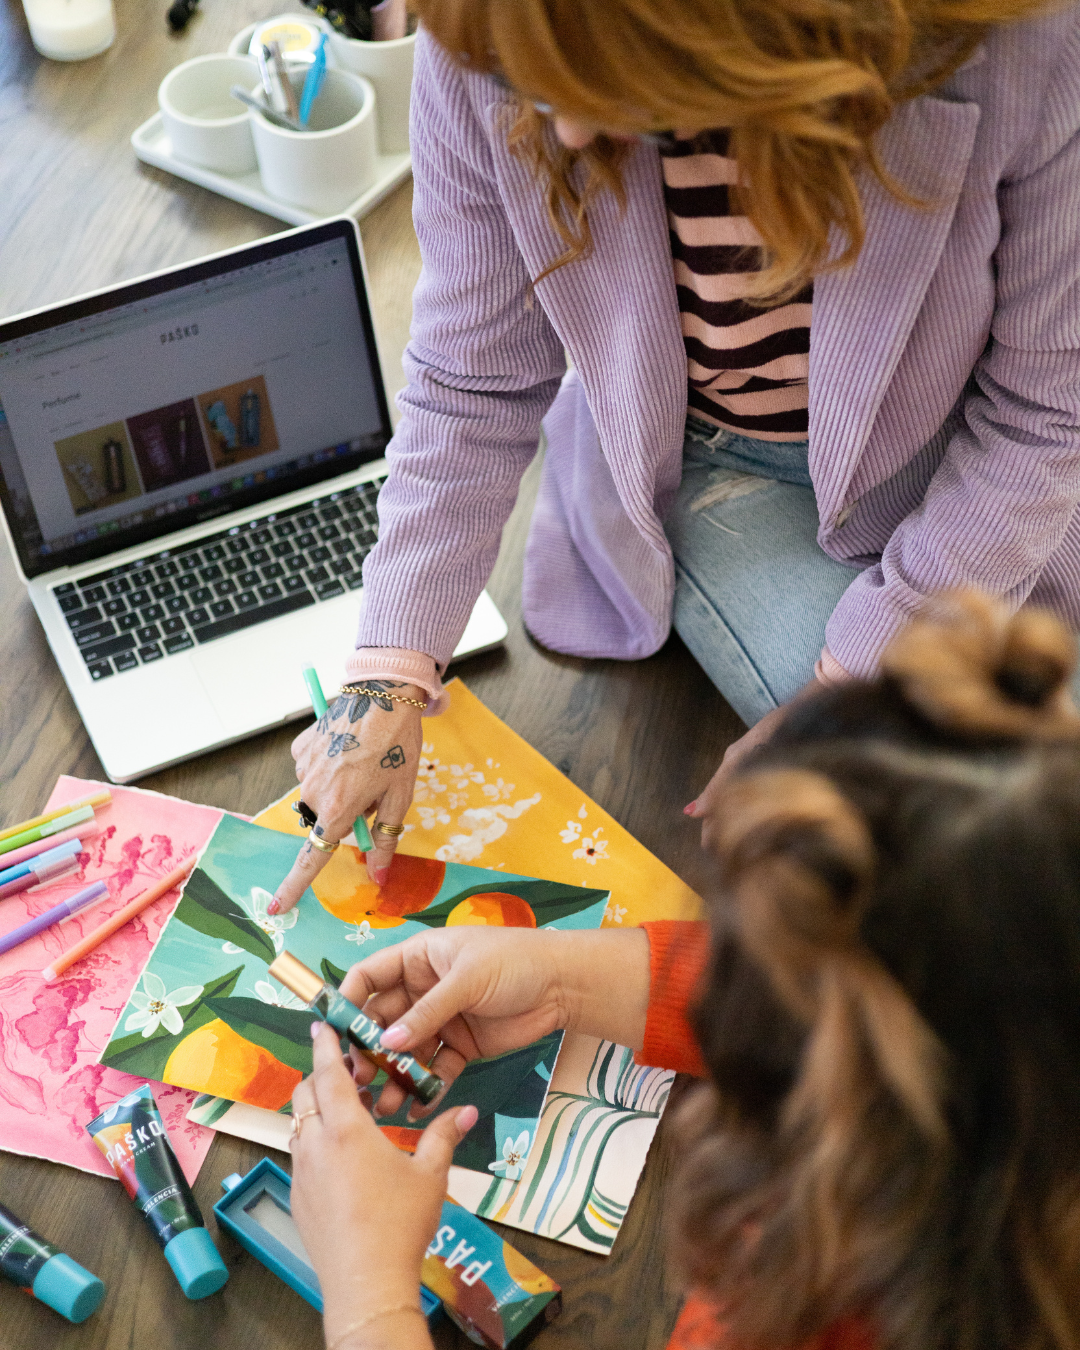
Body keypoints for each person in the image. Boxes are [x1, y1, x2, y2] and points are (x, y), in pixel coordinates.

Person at [271, 0, 1080, 919]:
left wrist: (850, 683)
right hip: (710, 465)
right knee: (957, 834)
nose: (563, 128)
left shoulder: (1032, 42)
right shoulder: (489, 36)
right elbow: (472, 378)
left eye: (598, 79)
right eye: (523, 86)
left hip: (974, 466)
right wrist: (389, 666)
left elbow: (1044, 417)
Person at [287, 591, 1080, 1350]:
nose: (729, 966)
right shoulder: (1017, 1024)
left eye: (740, 948)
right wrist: (564, 976)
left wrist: (369, 1302)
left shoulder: (834, 1308)